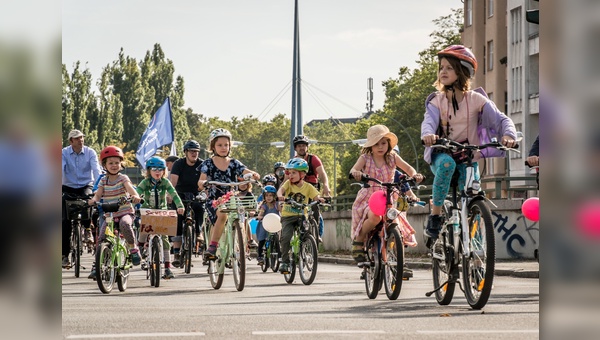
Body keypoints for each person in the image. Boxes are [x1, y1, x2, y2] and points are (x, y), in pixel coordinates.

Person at [421, 45, 517, 248]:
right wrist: (428, 135)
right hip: (442, 154)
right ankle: (436, 216)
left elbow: (501, 120)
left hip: (467, 156)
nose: (443, 72)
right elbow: (428, 122)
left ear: (462, 71)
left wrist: (508, 135)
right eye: (441, 68)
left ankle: (477, 254)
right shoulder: (436, 101)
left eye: (449, 67)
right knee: (447, 165)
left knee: (474, 195)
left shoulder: (476, 99)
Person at [349, 125, 423, 263]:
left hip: (388, 195)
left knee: (396, 223)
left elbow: (408, 168)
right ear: (370, 145)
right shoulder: (365, 158)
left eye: (383, 143)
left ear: (388, 144)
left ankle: (398, 260)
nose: (380, 147)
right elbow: (354, 169)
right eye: (376, 144)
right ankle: (359, 239)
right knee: (375, 217)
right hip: (370, 197)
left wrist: (415, 174)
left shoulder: (392, 157)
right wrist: (356, 173)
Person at [198, 128, 260, 260]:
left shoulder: (233, 163)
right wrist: (203, 183)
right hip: (215, 199)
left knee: (242, 212)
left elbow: (245, 171)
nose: (223, 148)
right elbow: (201, 179)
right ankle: (212, 247)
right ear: (213, 146)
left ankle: (244, 242)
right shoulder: (207, 163)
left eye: (226, 145)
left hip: (231, 197)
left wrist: (254, 174)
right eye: (219, 145)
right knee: (222, 214)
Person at [87, 146, 142, 267]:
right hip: (109, 214)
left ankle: (133, 249)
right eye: (110, 163)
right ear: (104, 165)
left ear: (121, 164)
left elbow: (131, 190)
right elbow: (98, 195)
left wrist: (135, 196)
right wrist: (93, 201)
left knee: (125, 224)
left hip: (125, 211)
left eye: (117, 163)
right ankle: (99, 264)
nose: (114, 165)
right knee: (102, 238)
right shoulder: (103, 180)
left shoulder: (123, 178)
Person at [135, 156, 185, 279]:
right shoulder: (145, 182)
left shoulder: (165, 182)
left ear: (164, 171)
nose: (157, 172)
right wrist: (135, 201)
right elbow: (137, 192)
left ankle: (167, 268)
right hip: (147, 211)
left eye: (160, 169)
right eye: (154, 169)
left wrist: (180, 206)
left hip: (162, 212)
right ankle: (140, 247)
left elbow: (174, 194)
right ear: (148, 171)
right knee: (144, 230)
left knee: (165, 239)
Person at [61, 129, 102, 268]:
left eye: (82, 137)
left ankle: (87, 229)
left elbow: (96, 169)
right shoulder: (63, 153)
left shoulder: (90, 152)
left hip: (86, 185)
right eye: (77, 138)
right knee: (64, 220)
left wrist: (99, 187)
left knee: (88, 201)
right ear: (71, 141)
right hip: (68, 186)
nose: (80, 140)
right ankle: (64, 255)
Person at [276, 158, 325, 274]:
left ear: (302, 174)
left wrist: (320, 199)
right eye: (289, 172)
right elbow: (280, 191)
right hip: (288, 216)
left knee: (305, 232)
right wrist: (280, 196)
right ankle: (285, 262)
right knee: (286, 237)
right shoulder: (288, 184)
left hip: (302, 216)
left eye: (294, 173)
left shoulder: (308, 187)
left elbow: (315, 196)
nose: (290, 175)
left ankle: (305, 247)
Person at [170, 140, 204, 267]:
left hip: (196, 193)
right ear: (185, 152)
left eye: (196, 151)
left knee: (200, 208)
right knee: (177, 218)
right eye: (191, 151)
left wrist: (203, 192)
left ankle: (198, 232)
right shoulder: (178, 164)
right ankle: (177, 253)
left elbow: (205, 181)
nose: (194, 153)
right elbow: (172, 183)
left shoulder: (202, 164)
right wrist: (171, 195)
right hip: (180, 194)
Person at [293, 135, 331, 242]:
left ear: (307, 147)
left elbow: (322, 174)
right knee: (295, 210)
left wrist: (326, 186)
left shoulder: (313, 159)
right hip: (298, 189)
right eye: (299, 146)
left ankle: (316, 233)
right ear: (295, 148)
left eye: (304, 146)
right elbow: (287, 178)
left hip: (312, 188)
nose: (302, 148)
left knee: (315, 208)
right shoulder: (293, 161)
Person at [255, 185, 280, 265]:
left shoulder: (277, 204)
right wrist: (259, 216)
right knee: (262, 239)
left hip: (275, 224)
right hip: (265, 224)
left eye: (271, 195)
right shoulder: (264, 206)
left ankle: (280, 256)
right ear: (264, 196)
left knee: (278, 239)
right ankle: (260, 256)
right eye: (266, 195)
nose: (268, 197)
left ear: (274, 196)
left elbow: (282, 211)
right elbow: (261, 212)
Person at [236, 178, 258, 248]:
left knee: (245, 221)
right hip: (234, 214)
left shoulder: (249, 195)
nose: (243, 185)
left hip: (245, 215)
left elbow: (254, 205)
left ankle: (250, 239)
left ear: (248, 185)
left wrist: (252, 211)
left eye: (245, 183)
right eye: (241, 183)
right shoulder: (234, 194)